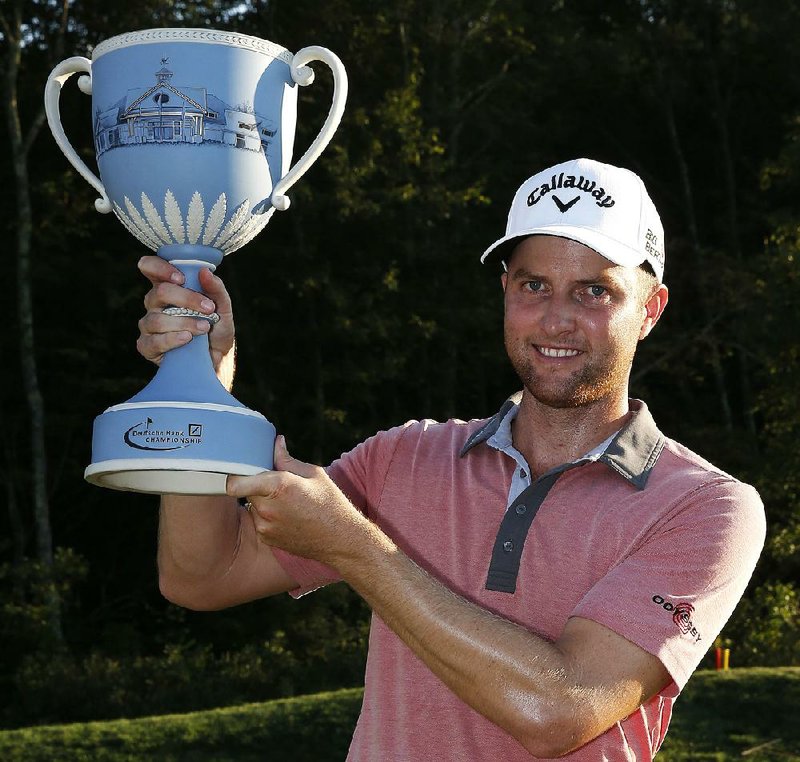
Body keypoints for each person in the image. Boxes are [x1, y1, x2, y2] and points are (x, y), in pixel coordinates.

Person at [138, 158, 765, 760]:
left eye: (594, 292)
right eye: (534, 285)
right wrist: (202, 391)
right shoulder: (405, 457)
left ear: (650, 311)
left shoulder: (705, 508)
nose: (555, 320)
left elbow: (557, 711)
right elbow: (202, 576)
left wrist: (355, 548)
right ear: (505, 290)